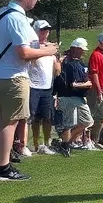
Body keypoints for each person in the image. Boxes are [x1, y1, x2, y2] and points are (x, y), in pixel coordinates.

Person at [0, 0, 54, 182]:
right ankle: (4, 167)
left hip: (1, 73)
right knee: (10, 122)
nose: (36, 2)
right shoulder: (16, 18)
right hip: (13, 75)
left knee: (2, 121)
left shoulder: (3, 12)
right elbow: (23, 52)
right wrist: (47, 51)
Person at [55, 38, 93, 155]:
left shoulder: (78, 63)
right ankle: (65, 145)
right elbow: (74, 84)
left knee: (87, 121)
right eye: (81, 49)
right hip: (68, 96)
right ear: (76, 49)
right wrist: (86, 84)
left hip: (77, 97)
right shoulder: (68, 63)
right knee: (68, 123)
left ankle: (66, 143)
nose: (83, 52)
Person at [27, 19, 60, 155]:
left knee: (47, 117)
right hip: (33, 86)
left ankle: (46, 143)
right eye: (43, 30)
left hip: (47, 87)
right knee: (33, 117)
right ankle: (34, 143)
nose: (46, 33)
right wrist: (48, 49)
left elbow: (57, 71)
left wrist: (57, 60)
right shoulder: (32, 46)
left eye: (47, 30)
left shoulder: (51, 49)